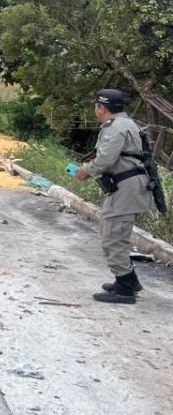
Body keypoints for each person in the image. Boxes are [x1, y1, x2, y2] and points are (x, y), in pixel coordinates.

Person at [74, 89, 155, 304]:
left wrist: (85, 170)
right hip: (129, 185)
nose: (95, 110)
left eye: (96, 106)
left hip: (126, 187)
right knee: (115, 233)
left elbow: (106, 159)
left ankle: (125, 289)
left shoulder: (115, 127)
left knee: (112, 236)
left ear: (102, 107)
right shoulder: (129, 123)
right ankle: (128, 280)